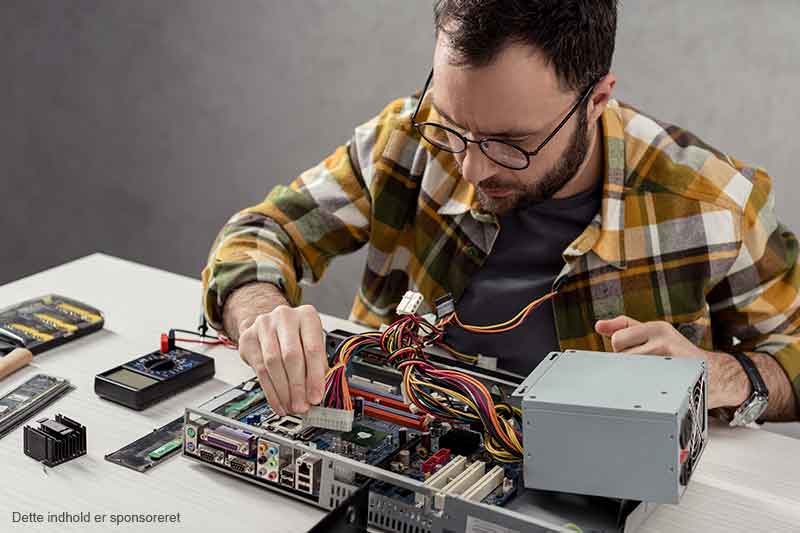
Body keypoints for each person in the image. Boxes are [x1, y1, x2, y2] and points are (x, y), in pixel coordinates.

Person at [201, 0, 800, 424]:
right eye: (453, 125)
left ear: (596, 100)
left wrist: (720, 375)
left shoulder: (711, 201)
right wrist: (263, 317)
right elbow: (260, 232)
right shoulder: (406, 140)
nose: (470, 168)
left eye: (511, 143)